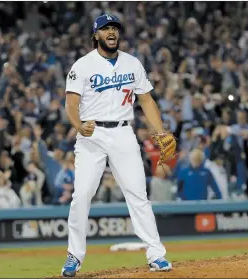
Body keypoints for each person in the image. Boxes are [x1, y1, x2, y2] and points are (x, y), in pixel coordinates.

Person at [61, 14, 172, 277]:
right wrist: (78, 125)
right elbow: (71, 104)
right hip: (92, 135)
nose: (111, 32)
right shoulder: (83, 65)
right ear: (96, 35)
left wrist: (160, 132)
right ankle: (74, 255)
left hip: (123, 132)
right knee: (82, 195)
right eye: (106, 28)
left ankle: (156, 254)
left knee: (138, 195)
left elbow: (146, 100)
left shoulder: (132, 63)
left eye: (115, 28)